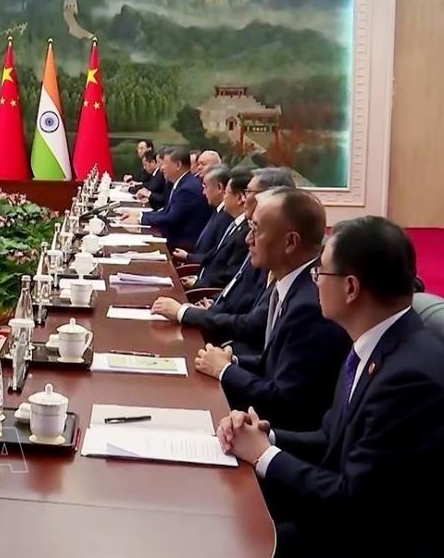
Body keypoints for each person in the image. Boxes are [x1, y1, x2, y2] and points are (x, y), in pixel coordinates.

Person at [216, 216, 444, 557]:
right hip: (339, 514)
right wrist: (265, 435)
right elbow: (329, 437)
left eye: (320, 272)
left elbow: (353, 500)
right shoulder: (373, 342)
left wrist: (263, 454)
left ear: (350, 288)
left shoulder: (409, 378)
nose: (315, 282)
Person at [194, 188, 351, 430]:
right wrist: (232, 360)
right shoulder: (288, 282)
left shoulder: (312, 304)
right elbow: (276, 364)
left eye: (256, 230)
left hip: (279, 431)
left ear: (290, 242)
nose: (248, 239)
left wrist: (224, 370)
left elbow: (286, 400)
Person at [151, 167, 296, 351]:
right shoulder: (258, 243)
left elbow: (252, 324)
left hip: (227, 340)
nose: (249, 239)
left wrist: (186, 312)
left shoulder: (274, 256)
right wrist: (213, 304)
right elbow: (238, 288)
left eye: (249, 192)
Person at [122, 146, 211, 250]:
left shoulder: (187, 188)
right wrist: (140, 215)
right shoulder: (182, 182)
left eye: (165, 164)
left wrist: (140, 220)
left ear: (178, 165)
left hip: (181, 244)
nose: (162, 168)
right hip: (173, 237)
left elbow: (170, 218)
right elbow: (166, 212)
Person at [185, 169, 250, 289]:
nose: (224, 198)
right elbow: (215, 257)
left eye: (227, 193)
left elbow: (229, 274)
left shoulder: (245, 233)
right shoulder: (235, 224)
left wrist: (198, 283)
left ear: (240, 198)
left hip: (208, 291)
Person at [173, 164, 232, 269]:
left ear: (219, 187)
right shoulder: (217, 210)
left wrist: (188, 257)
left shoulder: (227, 216)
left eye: (205, 187)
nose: (203, 192)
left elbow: (217, 258)